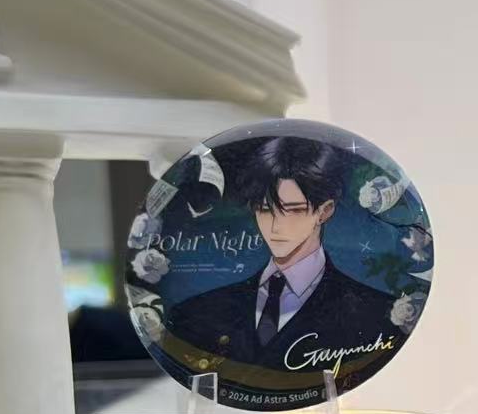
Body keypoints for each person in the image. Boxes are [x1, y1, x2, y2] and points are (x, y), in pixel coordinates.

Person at [164, 135, 403, 377]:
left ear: (324, 211)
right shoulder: (195, 313)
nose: (276, 226)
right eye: (264, 209)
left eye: (293, 210)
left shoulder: (377, 314)